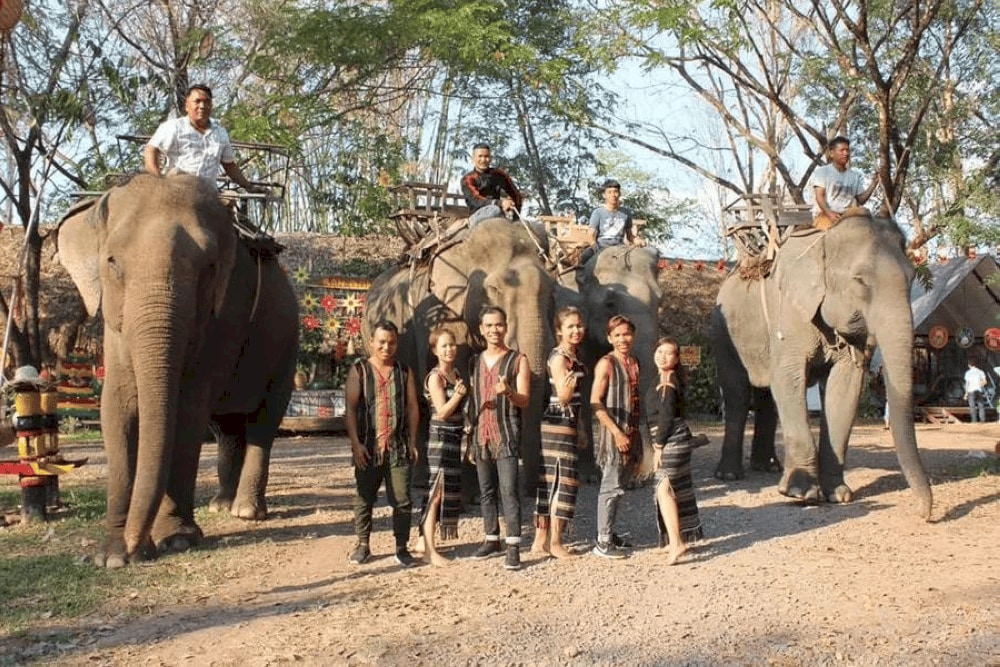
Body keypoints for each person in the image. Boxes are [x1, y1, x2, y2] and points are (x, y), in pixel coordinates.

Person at [344, 320, 421, 567]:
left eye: (391, 342)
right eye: (382, 342)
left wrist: (412, 440)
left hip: (398, 447)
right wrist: (356, 444)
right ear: (371, 343)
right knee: (364, 496)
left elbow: (412, 408)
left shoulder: (404, 371)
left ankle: (401, 547)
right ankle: (363, 544)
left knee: (402, 498)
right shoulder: (359, 371)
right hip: (368, 446)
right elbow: (350, 409)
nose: (386, 347)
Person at [468, 306, 531, 570]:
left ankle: (513, 545)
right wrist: (469, 436)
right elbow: (473, 401)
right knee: (486, 491)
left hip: (506, 433)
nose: (494, 330)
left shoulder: (518, 360)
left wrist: (508, 392)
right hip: (481, 434)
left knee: (508, 490)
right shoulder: (474, 361)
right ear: (481, 329)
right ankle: (491, 537)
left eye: (499, 325)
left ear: (506, 327)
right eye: (489, 326)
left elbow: (525, 400)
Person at [646, 338, 709, 565]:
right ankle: (677, 540)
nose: (662, 356)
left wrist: (658, 445)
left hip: (670, 438)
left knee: (664, 489)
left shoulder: (667, 379)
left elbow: (666, 415)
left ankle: (677, 542)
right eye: (659, 351)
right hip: (676, 437)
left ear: (676, 359)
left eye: (669, 353)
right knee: (670, 489)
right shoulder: (668, 378)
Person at [531, 306, 587, 559]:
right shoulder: (558, 358)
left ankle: (540, 541)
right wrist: (572, 381)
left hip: (568, 422)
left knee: (552, 480)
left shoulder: (572, 357)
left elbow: (575, 399)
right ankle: (554, 542)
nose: (576, 330)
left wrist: (582, 427)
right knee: (563, 482)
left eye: (579, 325)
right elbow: (564, 397)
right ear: (559, 331)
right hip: (557, 422)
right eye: (570, 327)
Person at [589, 315, 643, 559]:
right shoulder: (606, 363)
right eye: (618, 335)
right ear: (610, 338)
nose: (623, 339)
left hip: (631, 433)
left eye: (627, 334)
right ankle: (601, 541)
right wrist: (617, 432)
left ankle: (609, 533)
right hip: (614, 435)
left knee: (619, 487)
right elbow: (595, 402)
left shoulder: (634, 363)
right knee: (609, 488)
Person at [144, 84, 261, 192]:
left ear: (211, 105)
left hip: (208, 195)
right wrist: (158, 180)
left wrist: (249, 186)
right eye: (197, 101)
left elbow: (229, 165)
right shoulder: (173, 127)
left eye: (206, 102)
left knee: (230, 207)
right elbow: (151, 150)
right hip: (177, 190)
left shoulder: (220, 133)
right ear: (187, 105)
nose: (202, 106)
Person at [417, 328, 468, 567]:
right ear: (435, 350)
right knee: (436, 493)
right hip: (440, 439)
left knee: (445, 490)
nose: (449, 349)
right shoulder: (435, 377)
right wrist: (458, 396)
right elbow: (443, 411)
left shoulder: (456, 375)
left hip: (454, 440)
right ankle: (429, 549)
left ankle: (422, 540)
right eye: (444, 346)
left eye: (452, 345)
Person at [810, 136, 878, 229]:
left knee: (864, 213)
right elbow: (819, 196)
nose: (846, 153)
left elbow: (861, 200)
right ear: (831, 153)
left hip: (848, 216)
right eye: (842, 150)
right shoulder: (822, 172)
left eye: (847, 150)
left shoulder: (854, 176)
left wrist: (874, 182)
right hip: (826, 215)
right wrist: (830, 214)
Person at [461, 143, 523, 226]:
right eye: (480, 156)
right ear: (473, 159)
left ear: (490, 159)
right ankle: (469, 223)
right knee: (495, 210)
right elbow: (476, 200)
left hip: (500, 212)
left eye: (486, 156)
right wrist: (500, 203)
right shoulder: (468, 179)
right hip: (480, 214)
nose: (483, 160)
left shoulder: (499, 174)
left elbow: (515, 194)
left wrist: (515, 215)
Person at [588, 179, 645, 251]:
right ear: (604, 195)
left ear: (619, 194)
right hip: (601, 246)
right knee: (584, 256)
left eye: (615, 192)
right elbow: (591, 235)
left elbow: (629, 236)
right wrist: (593, 244)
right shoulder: (597, 212)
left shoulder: (626, 213)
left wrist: (638, 240)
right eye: (609, 192)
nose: (613, 195)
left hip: (620, 247)